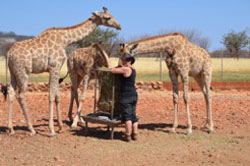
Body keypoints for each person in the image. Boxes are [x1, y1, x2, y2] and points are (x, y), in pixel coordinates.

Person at [110, 53, 138, 142]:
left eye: (125, 60)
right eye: (123, 60)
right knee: (133, 116)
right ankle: (135, 134)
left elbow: (111, 70)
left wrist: (119, 66)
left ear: (129, 61)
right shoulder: (133, 69)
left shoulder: (125, 69)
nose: (123, 61)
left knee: (127, 117)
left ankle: (127, 135)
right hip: (134, 95)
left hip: (126, 96)